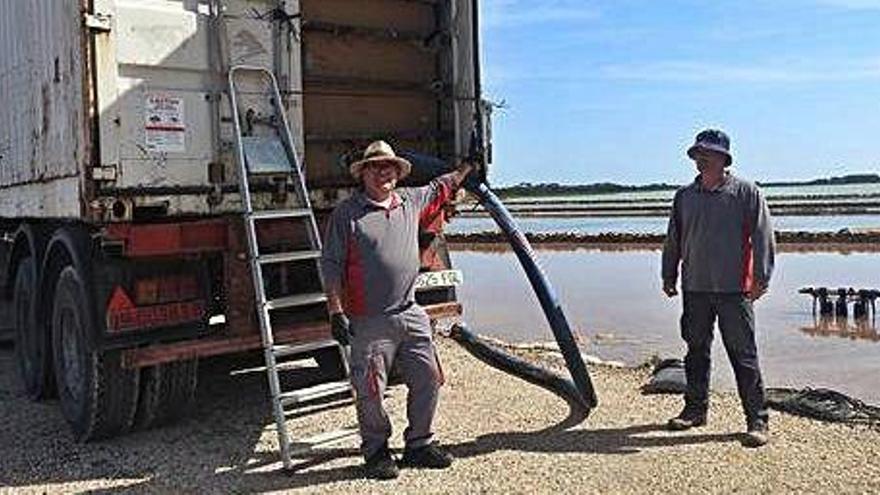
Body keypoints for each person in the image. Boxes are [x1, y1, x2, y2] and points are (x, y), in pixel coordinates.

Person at [321, 140, 473, 479]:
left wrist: (467, 168)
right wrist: (335, 312)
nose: (383, 172)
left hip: (410, 310)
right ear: (363, 174)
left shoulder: (410, 200)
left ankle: (419, 444)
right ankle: (376, 451)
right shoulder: (348, 214)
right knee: (371, 389)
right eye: (375, 167)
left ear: (398, 172)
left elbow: (442, 186)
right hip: (369, 317)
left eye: (388, 166)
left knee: (429, 377)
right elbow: (330, 265)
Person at [661, 129, 776, 448]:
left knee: (744, 355)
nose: (701, 158)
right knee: (696, 351)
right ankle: (695, 411)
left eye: (707, 153)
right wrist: (668, 273)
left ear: (724, 158)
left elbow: (763, 236)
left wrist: (762, 277)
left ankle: (757, 420)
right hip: (695, 287)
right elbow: (674, 238)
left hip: (733, 290)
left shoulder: (746, 192)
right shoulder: (684, 197)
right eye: (698, 153)